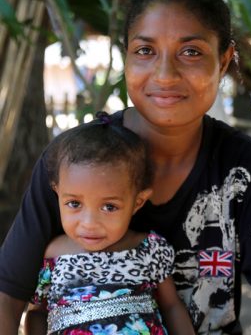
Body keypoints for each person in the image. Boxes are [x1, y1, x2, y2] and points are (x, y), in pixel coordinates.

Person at [0, 0, 251, 334]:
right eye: (145, 51)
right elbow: (8, 296)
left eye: (191, 52)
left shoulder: (241, 166)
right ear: (126, 58)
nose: (165, 75)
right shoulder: (73, 161)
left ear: (224, 60)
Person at [24, 112, 195, 334]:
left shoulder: (150, 249)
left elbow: (171, 307)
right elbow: (37, 312)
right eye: (74, 203)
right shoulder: (53, 254)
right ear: (57, 193)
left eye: (109, 207)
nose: (89, 223)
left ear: (138, 202)